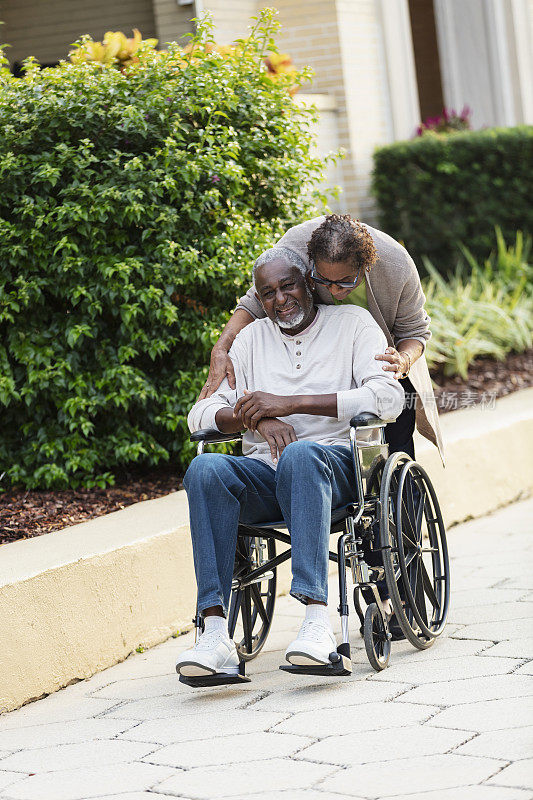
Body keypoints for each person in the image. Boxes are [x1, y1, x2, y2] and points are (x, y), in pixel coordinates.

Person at [176, 247, 404, 679]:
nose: (280, 299)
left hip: (337, 467)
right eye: (268, 293)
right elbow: (199, 415)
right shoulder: (250, 341)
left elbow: (388, 397)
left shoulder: (353, 325)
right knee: (204, 469)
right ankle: (214, 631)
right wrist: (258, 418)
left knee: (301, 455)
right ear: (259, 301)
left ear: (309, 283)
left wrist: (292, 402)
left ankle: (317, 623)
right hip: (267, 476)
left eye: (288, 286)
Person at [199, 214, 443, 464]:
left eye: (345, 282)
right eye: (324, 281)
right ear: (310, 266)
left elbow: (415, 331)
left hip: (385, 362)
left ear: (365, 266)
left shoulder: (396, 266)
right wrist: (221, 347)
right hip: (326, 355)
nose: (335, 291)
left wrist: (403, 360)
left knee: (396, 439)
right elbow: (257, 299)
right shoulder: (297, 244)